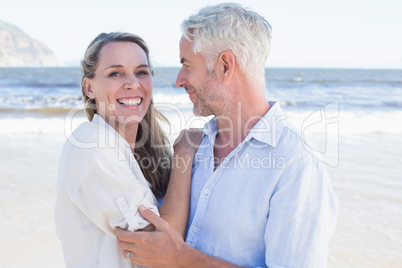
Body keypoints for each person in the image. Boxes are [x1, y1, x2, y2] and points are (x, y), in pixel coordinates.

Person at [116, 3, 339, 268]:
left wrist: (181, 259)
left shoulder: (296, 163)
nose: (179, 79)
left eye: (187, 65)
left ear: (225, 65)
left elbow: (172, 253)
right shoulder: (193, 145)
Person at [55, 32, 201, 267]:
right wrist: (184, 155)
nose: (133, 84)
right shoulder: (91, 146)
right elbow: (161, 248)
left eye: (141, 72)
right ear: (89, 87)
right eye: (116, 73)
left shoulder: (141, 153)